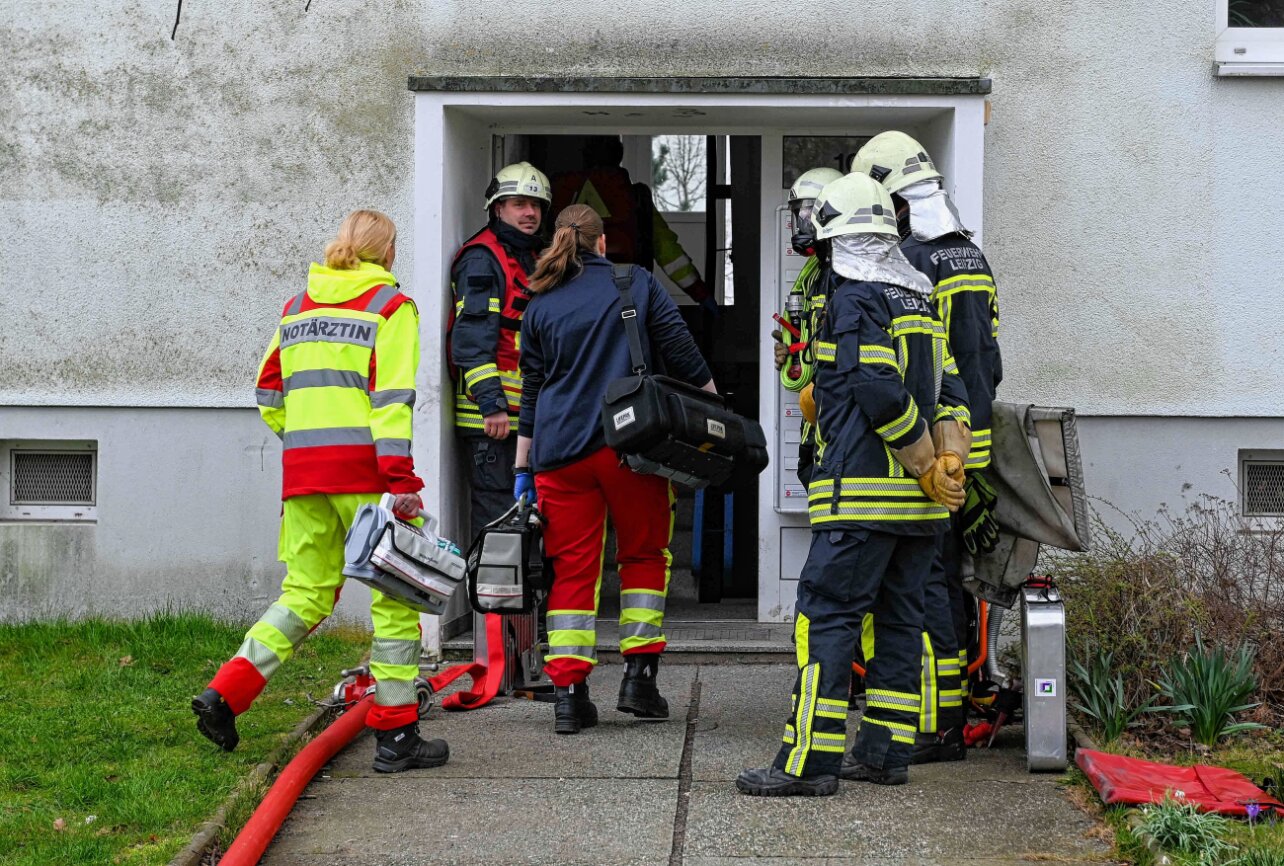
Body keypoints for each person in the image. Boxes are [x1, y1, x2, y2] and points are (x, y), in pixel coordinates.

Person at [737, 174, 971, 796]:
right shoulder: (919, 300)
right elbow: (953, 392)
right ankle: (885, 753)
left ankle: (809, 762)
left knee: (827, 620)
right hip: (920, 515)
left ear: (838, 238)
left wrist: (921, 460)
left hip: (863, 494)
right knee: (899, 622)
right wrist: (949, 462)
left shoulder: (854, 299)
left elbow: (876, 390)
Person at [193, 210, 447, 773]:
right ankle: (397, 733)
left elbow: (267, 393)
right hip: (369, 478)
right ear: (387, 253)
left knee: (304, 594)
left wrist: (305, 441)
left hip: (305, 477)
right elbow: (390, 403)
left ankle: (225, 694)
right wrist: (402, 483)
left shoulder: (296, 309)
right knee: (397, 601)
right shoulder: (390, 308)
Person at [514, 203, 715, 735]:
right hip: (630, 445)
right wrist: (719, 417)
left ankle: (568, 695)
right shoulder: (636, 282)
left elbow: (531, 391)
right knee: (644, 555)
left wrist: (522, 468)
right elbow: (681, 352)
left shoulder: (539, 303)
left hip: (558, 453)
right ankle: (639, 680)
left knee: (570, 571)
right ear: (603, 243)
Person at [851, 131, 1003, 763]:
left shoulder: (912, 263)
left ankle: (938, 725)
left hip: (936, 452)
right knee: (954, 587)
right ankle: (952, 710)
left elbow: (927, 370)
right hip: (971, 446)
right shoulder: (971, 254)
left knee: (929, 587)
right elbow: (984, 360)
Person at [449, 162, 551, 537]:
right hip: (492, 422)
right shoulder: (482, 259)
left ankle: (522, 597)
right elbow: (472, 341)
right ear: (498, 208)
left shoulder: (532, 256)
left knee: (530, 523)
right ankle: (494, 598)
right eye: (520, 204)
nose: (530, 213)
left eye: (536, 206)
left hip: (525, 420)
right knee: (500, 527)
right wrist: (491, 404)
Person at [551, 136, 718, 313]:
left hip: (571, 297)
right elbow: (668, 252)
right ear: (619, 157)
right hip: (624, 297)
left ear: (584, 157)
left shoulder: (559, 195)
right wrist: (700, 293)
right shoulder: (636, 198)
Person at [772, 166, 843, 487]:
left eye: (808, 212)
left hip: (838, 423)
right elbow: (811, 336)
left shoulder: (849, 273)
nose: (801, 223)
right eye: (798, 214)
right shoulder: (817, 272)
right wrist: (792, 350)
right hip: (815, 423)